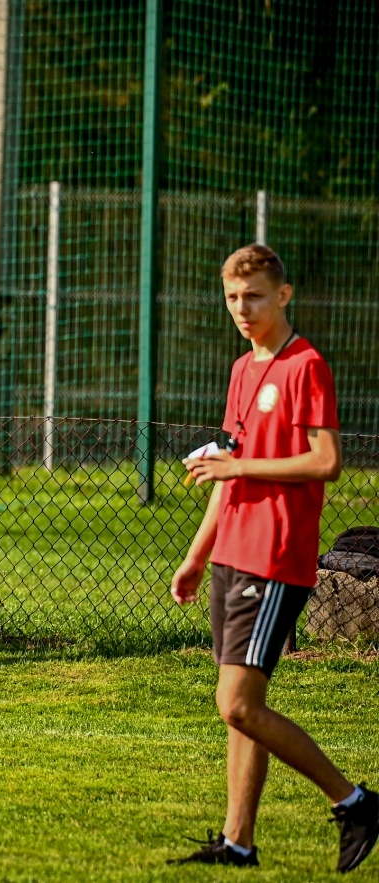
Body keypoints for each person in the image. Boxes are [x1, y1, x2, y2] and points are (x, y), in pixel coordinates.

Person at [168, 244, 375, 872]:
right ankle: (238, 842)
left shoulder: (305, 364)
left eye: (253, 296)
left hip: (275, 556)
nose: (242, 308)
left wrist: (239, 465)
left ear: (282, 295)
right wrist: (195, 555)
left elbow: (326, 461)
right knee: (243, 713)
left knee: (236, 704)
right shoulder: (241, 369)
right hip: (231, 553)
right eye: (232, 297)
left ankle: (356, 801)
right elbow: (226, 472)